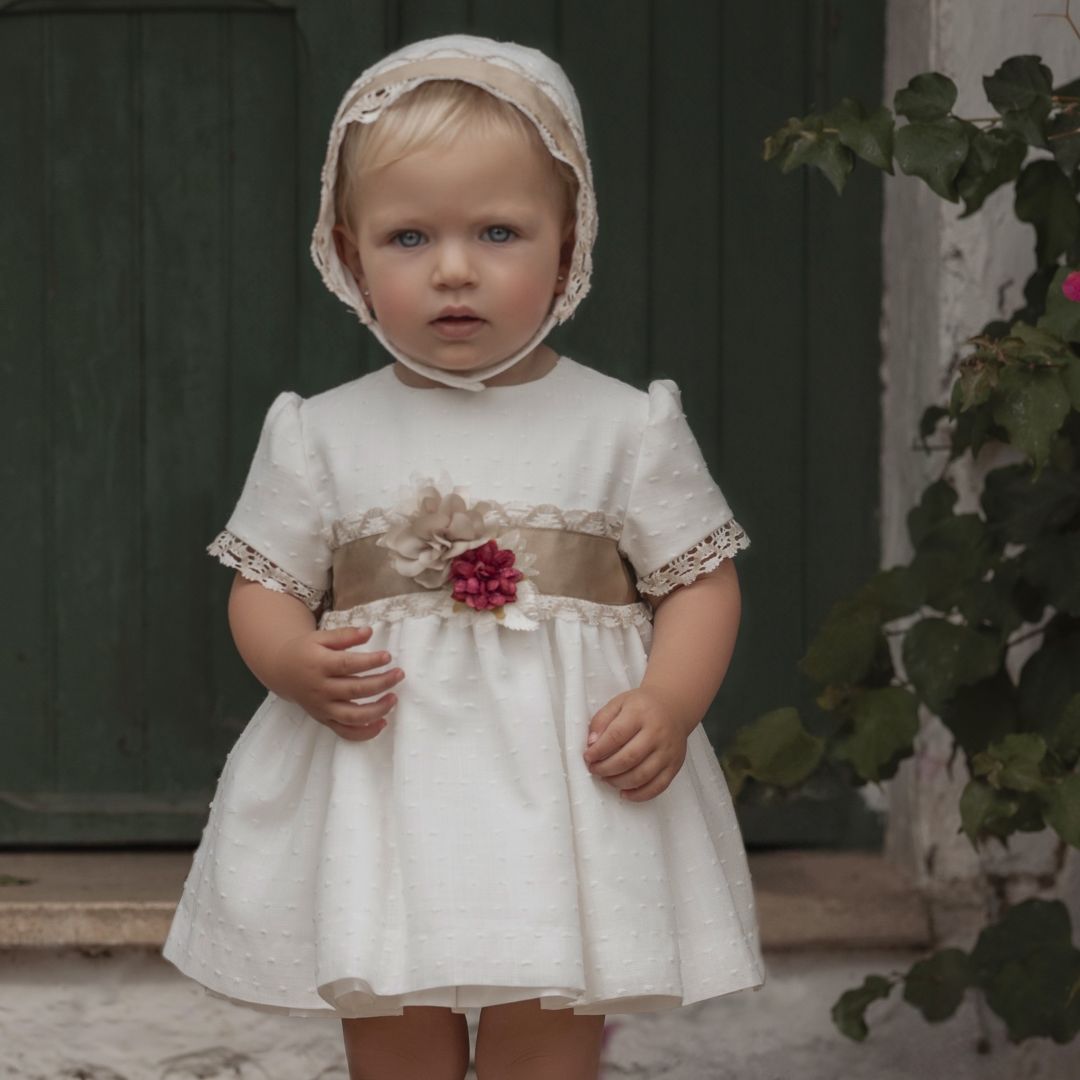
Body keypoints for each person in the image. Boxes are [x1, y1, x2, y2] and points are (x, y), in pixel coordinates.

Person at [163, 33, 764, 1080]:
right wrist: (292, 663)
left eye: (498, 231)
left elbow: (700, 579)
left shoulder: (624, 427)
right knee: (393, 1024)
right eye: (407, 237)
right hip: (385, 785)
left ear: (568, 239)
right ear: (349, 255)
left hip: (567, 801)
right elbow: (264, 587)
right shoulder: (323, 433)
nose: (454, 269)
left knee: (548, 1022)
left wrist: (669, 701)